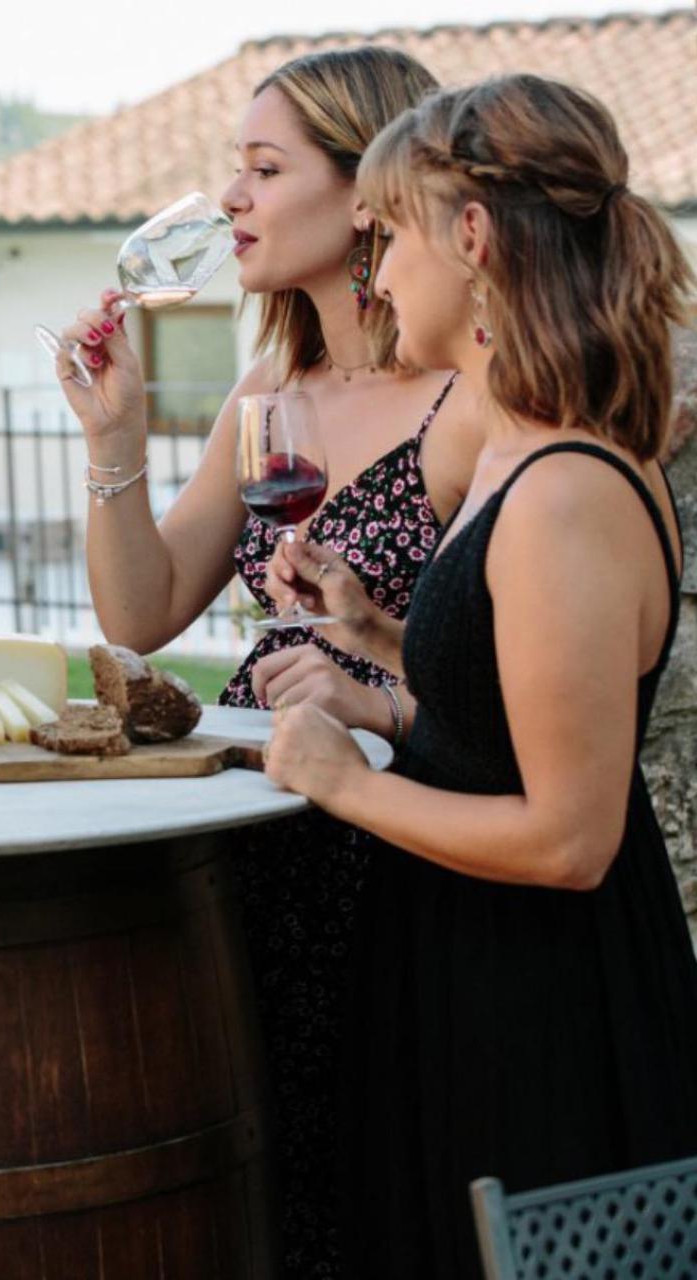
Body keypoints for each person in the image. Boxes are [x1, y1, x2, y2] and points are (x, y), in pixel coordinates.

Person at [47, 47, 485, 1277]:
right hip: (260, 820)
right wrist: (115, 432)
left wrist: (374, 681)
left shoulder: (469, 398)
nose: (230, 199)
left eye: (263, 167)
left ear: (366, 192)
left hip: (395, 841)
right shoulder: (268, 381)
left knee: (377, 1173)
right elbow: (140, 610)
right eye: (230, 169)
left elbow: (499, 672)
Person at [265, 74, 697, 1279]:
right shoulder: (521, 445)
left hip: (540, 1014)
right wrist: (380, 646)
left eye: (393, 233)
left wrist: (340, 780)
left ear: (471, 238)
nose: (380, 270)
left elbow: (570, 837)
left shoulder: (564, 487)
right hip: (469, 973)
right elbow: (513, 709)